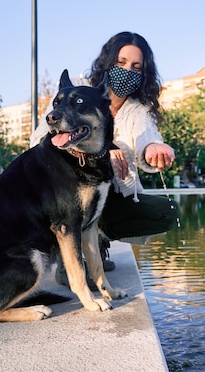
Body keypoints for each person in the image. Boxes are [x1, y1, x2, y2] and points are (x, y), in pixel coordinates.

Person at [31, 31, 181, 276]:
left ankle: (98, 240)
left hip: (110, 192)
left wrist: (154, 148)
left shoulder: (138, 107)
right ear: (108, 62)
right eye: (121, 63)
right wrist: (103, 150)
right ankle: (68, 257)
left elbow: (146, 134)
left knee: (169, 212)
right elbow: (39, 139)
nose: (127, 71)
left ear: (144, 73)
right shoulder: (76, 90)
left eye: (136, 66)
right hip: (65, 191)